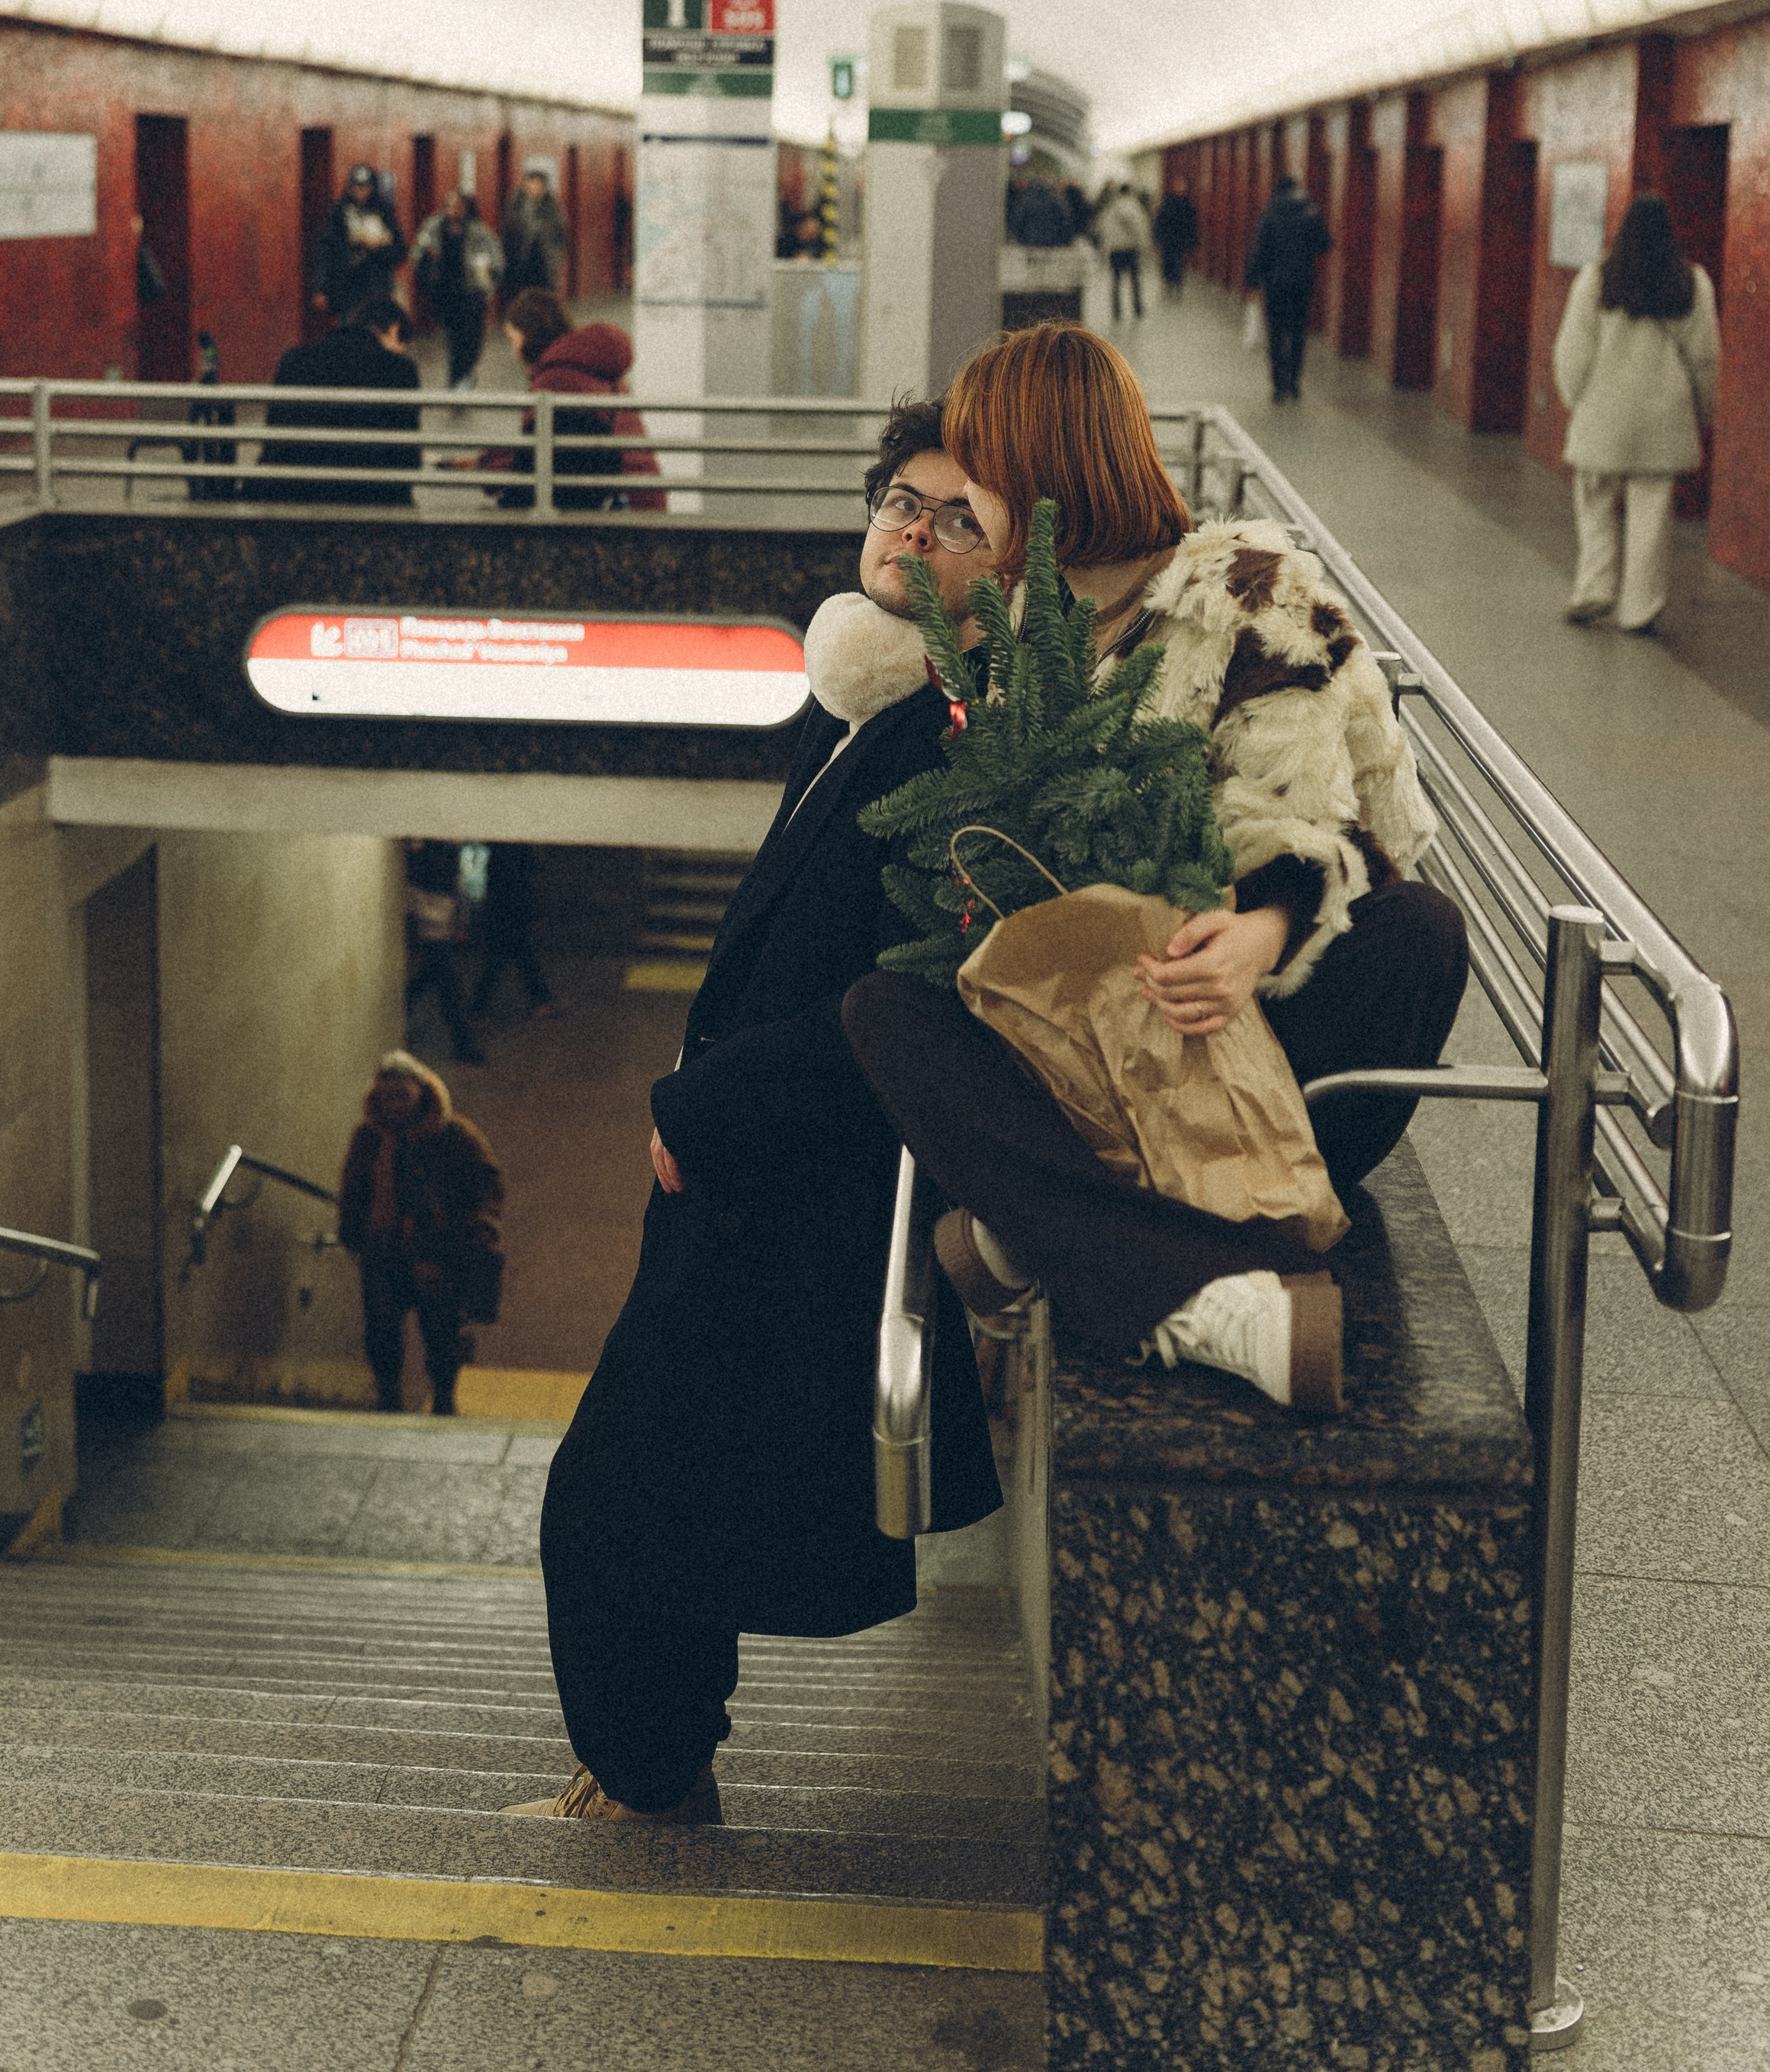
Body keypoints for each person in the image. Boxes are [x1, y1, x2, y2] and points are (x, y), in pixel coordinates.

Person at [513, 399, 1000, 1826]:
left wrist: (709, 1102)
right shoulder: (862, 697)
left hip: (795, 1190)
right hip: (740, 1175)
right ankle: (650, 1767)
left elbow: (920, 990)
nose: (912, 529)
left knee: (608, 1504)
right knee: (663, 1497)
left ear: (1007, 559)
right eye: (901, 499)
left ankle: (651, 1781)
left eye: (956, 516)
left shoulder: (959, 742)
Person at [843, 320, 1466, 1414]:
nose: (962, 505)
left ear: (1038, 468)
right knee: (883, 1011)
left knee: (1423, 935)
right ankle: (1201, 1292)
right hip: (1100, 1032)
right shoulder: (1027, 612)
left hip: (1239, 1015)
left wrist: (1262, 935)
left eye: (977, 476)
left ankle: (1055, 1234)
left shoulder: (1246, 589)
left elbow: (1326, 818)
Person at [1554, 191, 1720, 634]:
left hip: (1603, 416)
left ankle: (1594, 588)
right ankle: (1640, 608)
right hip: (1663, 420)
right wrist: (1705, 413)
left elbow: (1572, 353)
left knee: (1595, 502)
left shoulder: (1597, 279)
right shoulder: (1692, 283)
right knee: (1652, 514)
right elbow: (1705, 358)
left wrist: (1577, 401)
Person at [336, 1052, 504, 1414]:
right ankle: (389, 1399)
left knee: (441, 1332)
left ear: (421, 1093)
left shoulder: (454, 1134)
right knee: (381, 1333)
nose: (395, 1106)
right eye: (387, 1097)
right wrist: (352, 1233)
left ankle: (444, 1400)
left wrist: (482, 1224)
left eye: (403, 1096)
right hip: (383, 1253)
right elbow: (354, 1187)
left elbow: (486, 1181)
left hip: (440, 1253)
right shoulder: (369, 1138)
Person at [480, 289, 661, 513]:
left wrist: (486, 465)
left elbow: (537, 452)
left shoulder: (554, 378)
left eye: (513, 338)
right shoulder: (589, 362)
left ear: (528, 335)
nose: (513, 350)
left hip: (616, 501)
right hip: (644, 492)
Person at [251, 291, 422, 505]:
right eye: (401, 348)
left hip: (291, 492)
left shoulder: (295, 358)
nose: (400, 355)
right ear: (394, 329)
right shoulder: (400, 369)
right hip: (369, 496)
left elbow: (274, 436)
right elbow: (408, 458)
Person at [1244, 172, 1331, 401]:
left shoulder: (1270, 214)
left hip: (1275, 284)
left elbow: (1260, 250)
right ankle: (1294, 382)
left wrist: (1252, 279)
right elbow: (1325, 244)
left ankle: (1278, 384)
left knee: (1276, 332)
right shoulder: (1310, 212)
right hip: (1302, 282)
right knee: (1298, 332)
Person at [404, 839, 485, 1064]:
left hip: (435, 920)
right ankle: (463, 1044)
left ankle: (398, 1009)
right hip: (433, 921)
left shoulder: (429, 848)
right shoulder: (432, 848)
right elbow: (446, 883)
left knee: (432, 975)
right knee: (450, 986)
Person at [414, 186, 503, 388]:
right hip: (444, 294)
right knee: (452, 341)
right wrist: (428, 257)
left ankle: (466, 373)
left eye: (458, 206)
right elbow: (417, 254)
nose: (453, 211)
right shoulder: (433, 228)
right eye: (449, 206)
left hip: (472, 294)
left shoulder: (480, 232)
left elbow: (497, 262)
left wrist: (487, 280)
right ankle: (456, 379)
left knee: (472, 340)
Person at [309, 165, 407, 321]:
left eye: (366, 188)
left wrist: (378, 248)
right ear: (349, 187)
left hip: (377, 288)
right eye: (356, 187)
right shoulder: (338, 213)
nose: (361, 192)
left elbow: (400, 251)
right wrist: (320, 287)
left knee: (375, 335)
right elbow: (325, 251)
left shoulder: (384, 212)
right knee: (350, 334)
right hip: (347, 287)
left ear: (373, 188)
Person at [469, 842, 555, 1019]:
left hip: (501, 909)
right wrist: (532, 913)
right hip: (511, 911)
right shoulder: (516, 848)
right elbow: (519, 881)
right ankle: (541, 1000)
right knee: (513, 958)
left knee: (510, 958)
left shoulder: (501, 847)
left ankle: (541, 999)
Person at [502, 161, 569, 298]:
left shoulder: (554, 209)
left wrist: (554, 257)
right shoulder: (516, 207)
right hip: (520, 264)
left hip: (544, 264)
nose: (535, 188)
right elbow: (507, 233)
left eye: (539, 185)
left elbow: (562, 236)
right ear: (525, 186)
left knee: (544, 300)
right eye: (532, 184)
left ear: (545, 188)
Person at [1096, 181, 1152, 323]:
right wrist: (1144, 247)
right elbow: (1140, 230)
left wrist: (1106, 248)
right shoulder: (1135, 207)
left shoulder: (1111, 207)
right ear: (1131, 192)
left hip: (1115, 249)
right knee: (1135, 280)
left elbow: (1104, 229)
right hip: (1130, 249)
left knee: (1116, 281)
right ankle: (1137, 308)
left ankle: (1116, 311)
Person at [1153, 180, 1199, 297]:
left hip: (1180, 239)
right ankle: (1168, 284)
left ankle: (1177, 285)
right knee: (1167, 261)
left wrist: (1192, 241)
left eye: (1182, 185)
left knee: (1178, 263)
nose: (1179, 187)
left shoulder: (1188, 204)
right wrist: (1158, 236)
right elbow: (1160, 220)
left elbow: (1192, 225)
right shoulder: (1168, 202)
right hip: (1168, 238)